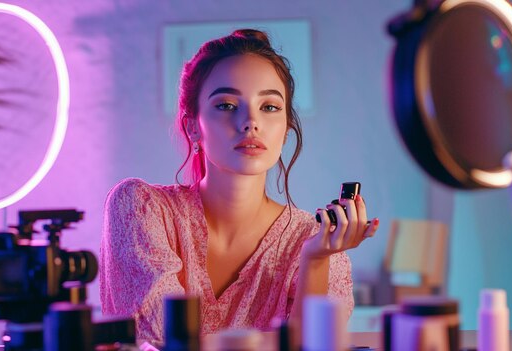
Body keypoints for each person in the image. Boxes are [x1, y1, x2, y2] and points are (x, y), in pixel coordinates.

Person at [99, 28, 379, 346]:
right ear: (193, 126)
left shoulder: (317, 243)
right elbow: (165, 341)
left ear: (286, 129)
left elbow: (313, 346)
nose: (250, 122)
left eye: (270, 107)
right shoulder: (140, 208)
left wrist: (314, 260)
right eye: (227, 105)